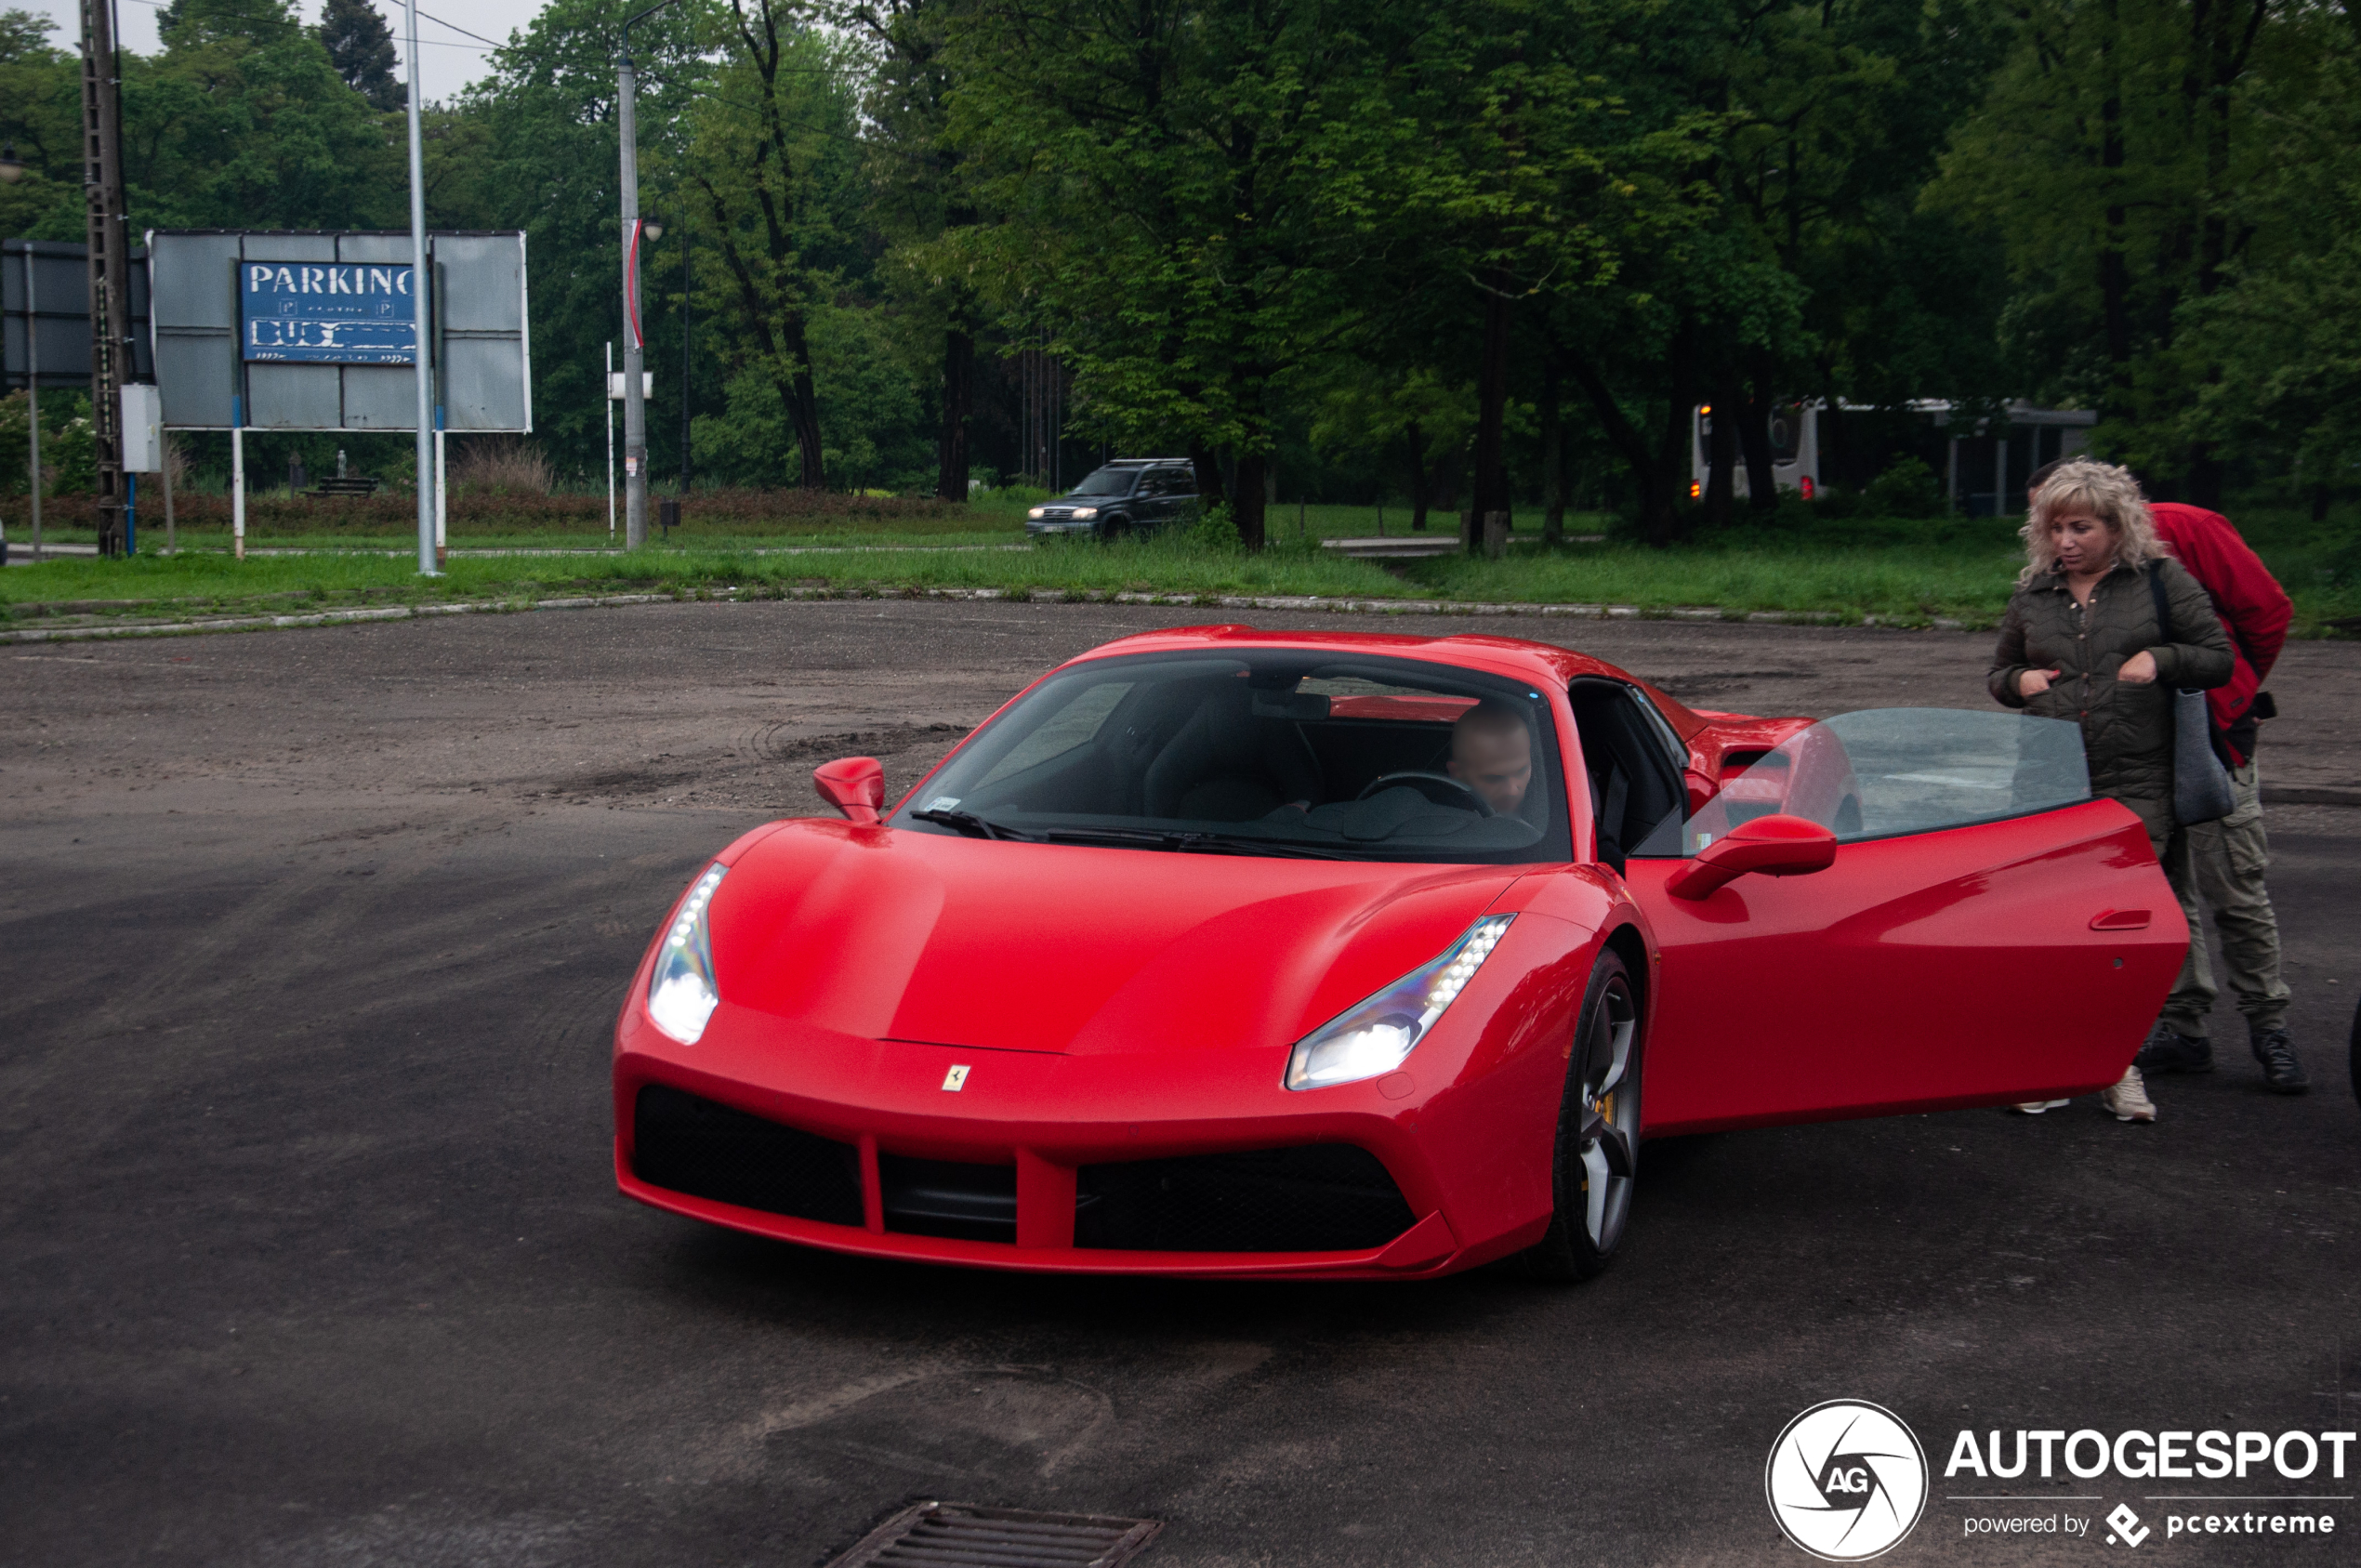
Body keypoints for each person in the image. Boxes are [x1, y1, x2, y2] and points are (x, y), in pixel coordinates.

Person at [1989, 459, 2233, 1122]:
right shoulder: (2035, 592)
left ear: (2116, 526)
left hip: (2138, 784)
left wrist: (2164, 659)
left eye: (2081, 527)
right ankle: (2054, 1065)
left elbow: (2218, 654)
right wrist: (2019, 684)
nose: (2066, 541)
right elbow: (2000, 670)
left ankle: (2117, 1066)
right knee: (2052, 931)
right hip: (2048, 785)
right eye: (2056, 527)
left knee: (2120, 936)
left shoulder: (2158, 582)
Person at [1445, 701, 1535, 815]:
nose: (1512, 790)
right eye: (1493, 778)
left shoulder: (1556, 803)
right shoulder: (1438, 820)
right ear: (1456, 773)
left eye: (1521, 771)